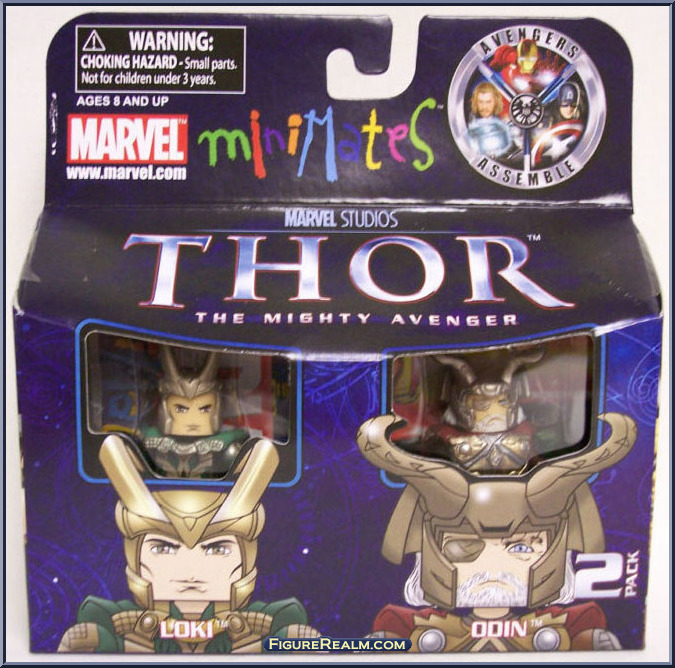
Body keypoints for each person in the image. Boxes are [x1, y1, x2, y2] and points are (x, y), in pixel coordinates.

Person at [357, 411, 636, 652]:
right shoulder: (407, 626)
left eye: (521, 547)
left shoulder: (572, 625)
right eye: (463, 547)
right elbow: (362, 646)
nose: (492, 566)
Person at [58, 435, 319, 653]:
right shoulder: (120, 620)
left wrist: (299, 642)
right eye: (164, 548)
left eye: (216, 549)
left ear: (244, 560)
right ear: (137, 558)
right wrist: (91, 641)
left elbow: (295, 627)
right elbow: (94, 624)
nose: (191, 572)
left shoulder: (263, 621)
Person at [141, 346, 250, 479]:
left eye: (204, 409)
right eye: (181, 409)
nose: (193, 419)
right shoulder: (151, 439)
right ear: (165, 410)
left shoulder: (225, 443)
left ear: (216, 411)